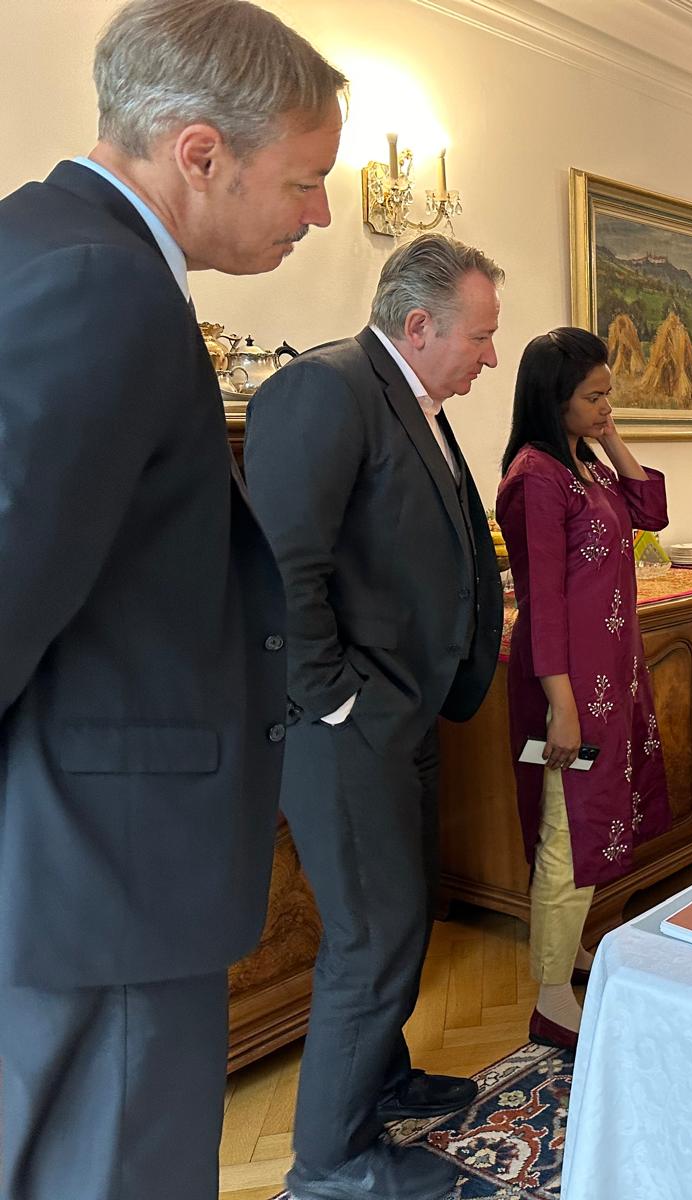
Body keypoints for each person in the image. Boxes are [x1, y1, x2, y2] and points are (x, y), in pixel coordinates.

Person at [0, 2, 343, 1198]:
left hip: (70, 866)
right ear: (200, 154)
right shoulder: (100, 286)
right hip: (105, 880)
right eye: (304, 180)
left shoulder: (40, 247)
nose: (322, 214)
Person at [243, 234, 505, 1200]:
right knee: (374, 935)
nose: (489, 356)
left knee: (401, 917)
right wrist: (339, 697)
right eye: (479, 337)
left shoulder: (413, 400)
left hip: (403, 713)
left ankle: (382, 1077)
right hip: (346, 725)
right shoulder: (326, 389)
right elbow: (284, 568)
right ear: (420, 323)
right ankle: (332, 1161)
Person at [497, 327, 672, 1048]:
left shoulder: (586, 467)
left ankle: (568, 954)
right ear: (552, 398)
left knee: (591, 825)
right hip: (565, 695)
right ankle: (548, 998)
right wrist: (563, 710)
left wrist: (608, 434)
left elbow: (652, 511)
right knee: (567, 833)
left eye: (610, 394)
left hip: (610, 683)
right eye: (593, 395)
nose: (606, 406)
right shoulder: (534, 477)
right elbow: (543, 605)